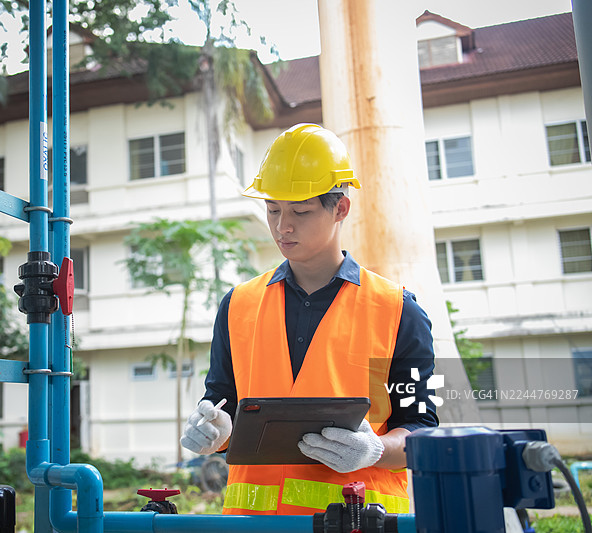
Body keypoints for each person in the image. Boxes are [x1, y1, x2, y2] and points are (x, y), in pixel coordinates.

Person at [180, 123, 439, 515]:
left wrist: (375, 450)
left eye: (300, 211)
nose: (283, 226)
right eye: (273, 209)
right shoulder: (237, 306)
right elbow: (221, 402)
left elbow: (421, 427)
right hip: (254, 528)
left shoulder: (399, 310)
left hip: (357, 523)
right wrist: (214, 430)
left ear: (341, 208)